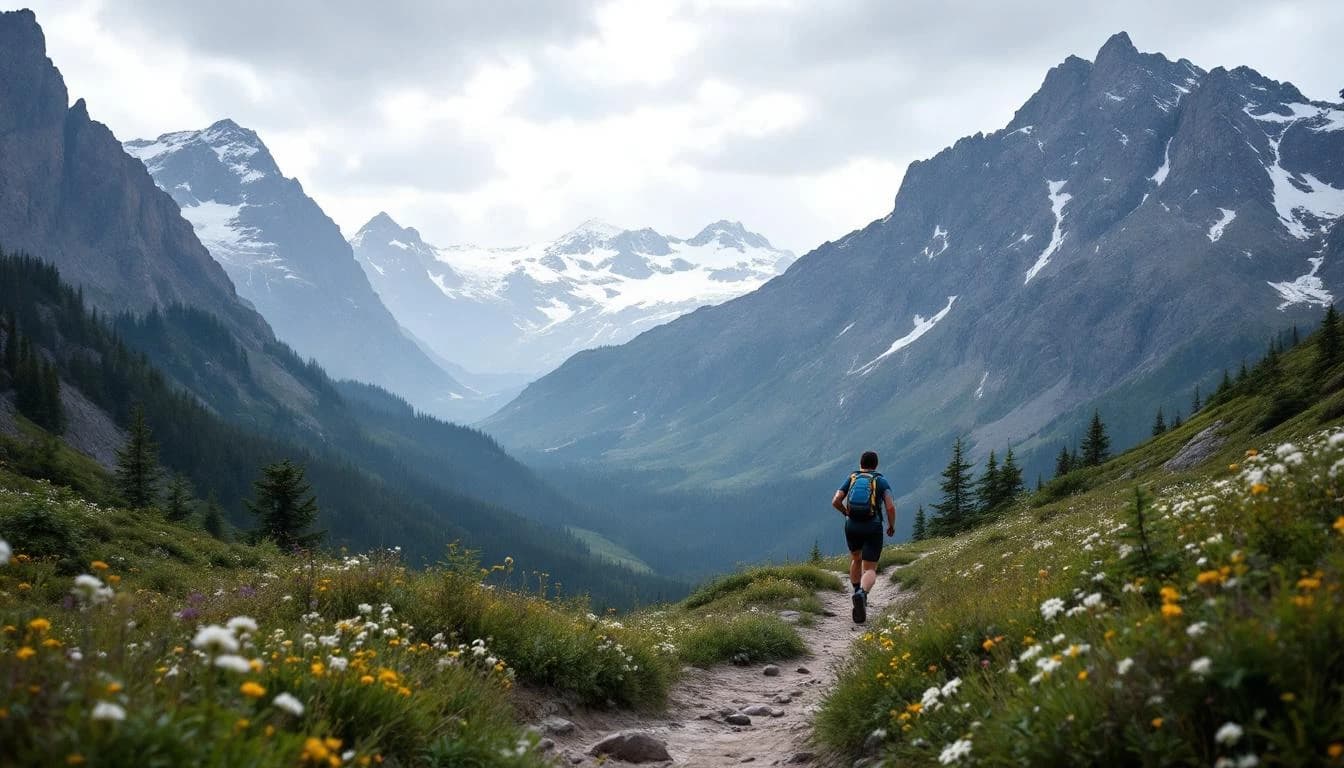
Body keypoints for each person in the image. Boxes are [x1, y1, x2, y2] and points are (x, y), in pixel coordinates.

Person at [831, 450, 896, 624]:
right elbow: (890, 507)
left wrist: (847, 514)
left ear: (861, 463)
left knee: (856, 558)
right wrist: (891, 525)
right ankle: (862, 595)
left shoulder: (852, 478)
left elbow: (836, 500)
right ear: (876, 465)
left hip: (851, 525)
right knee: (870, 569)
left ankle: (856, 591)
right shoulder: (880, 481)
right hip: (872, 525)